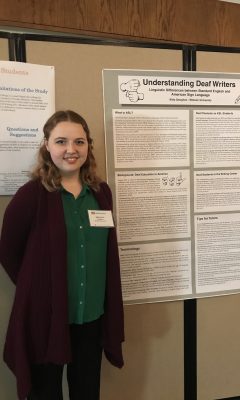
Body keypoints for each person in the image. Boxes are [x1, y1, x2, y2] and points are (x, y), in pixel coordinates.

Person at [0, 110, 124, 400]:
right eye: (61, 141)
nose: (71, 150)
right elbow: (8, 251)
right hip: (47, 316)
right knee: (46, 392)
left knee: (87, 390)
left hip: (91, 316)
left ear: (88, 146)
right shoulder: (31, 195)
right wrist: (39, 288)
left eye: (79, 142)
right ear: (47, 145)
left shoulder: (101, 193)